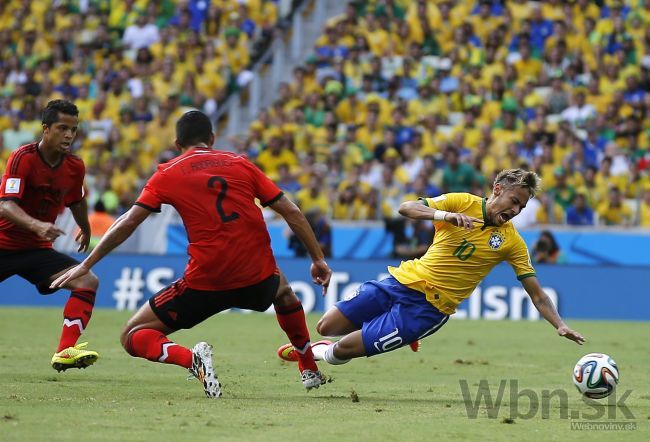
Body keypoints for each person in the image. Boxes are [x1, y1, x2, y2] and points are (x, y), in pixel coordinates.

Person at [51, 110, 332, 398]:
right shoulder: (241, 165)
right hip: (256, 278)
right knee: (283, 291)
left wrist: (87, 264)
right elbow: (291, 211)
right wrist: (318, 259)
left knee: (132, 335)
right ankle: (308, 368)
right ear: (212, 139)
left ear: (176, 143)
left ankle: (191, 360)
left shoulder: (168, 173)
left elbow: (129, 221)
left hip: (205, 282)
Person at [278, 169, 584, 372]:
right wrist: (444, 215)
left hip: (428, 310)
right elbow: (406, 207)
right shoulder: (461, 203)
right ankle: (332, 342)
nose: (516, 210)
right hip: (403, 280)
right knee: (326, 327)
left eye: (522, 208)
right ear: (498, 189)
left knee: (342, 350)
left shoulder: (511, 242)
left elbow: (538, 294)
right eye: (515, 201)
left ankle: (321, 355)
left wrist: (559, 324)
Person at [0, 99, 100, 372]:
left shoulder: (75, 166)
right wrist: (37, 226)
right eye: (62, 128)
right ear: (46, 129)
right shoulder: (24, 157)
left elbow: (76, 199)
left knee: (86, 280)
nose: (69, 135)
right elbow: (5, 205)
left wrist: (86, 227)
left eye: (74, 129)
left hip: (36, 250)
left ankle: (65, 350)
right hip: (3, 244)